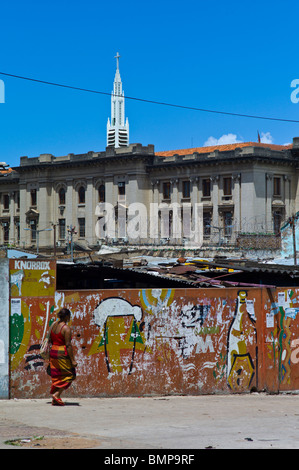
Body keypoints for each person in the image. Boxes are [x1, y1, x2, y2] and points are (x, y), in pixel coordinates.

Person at [49, 308, 77, 406]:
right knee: (70, 375)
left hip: (53, 352)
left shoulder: (53, 325)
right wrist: (73, 360)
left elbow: (50, 340)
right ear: (66, 316)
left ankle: (55, 399)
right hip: (61, 353)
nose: (69, 318)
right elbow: (68, 345)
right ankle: (56, 394)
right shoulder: (66, 328)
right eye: (69, 316)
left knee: (58, 375)